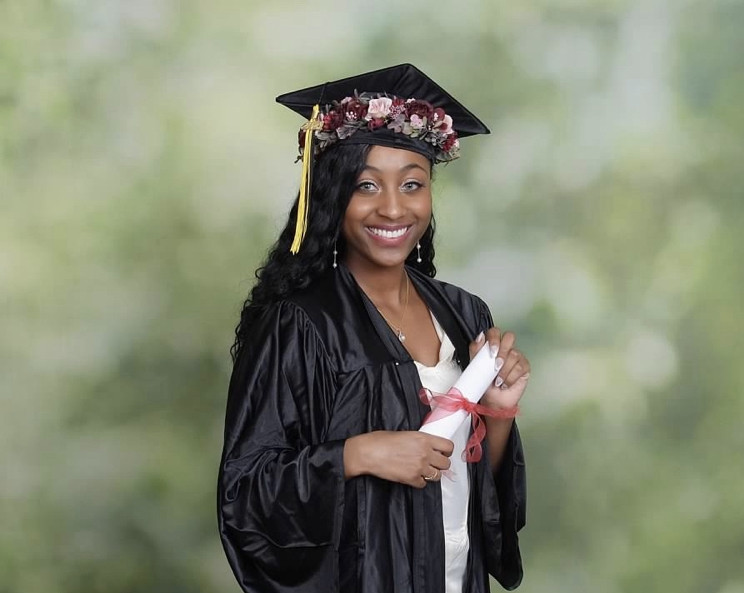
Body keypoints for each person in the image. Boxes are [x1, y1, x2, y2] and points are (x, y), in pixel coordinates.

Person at [217, 64, 530, 593]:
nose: (392, 206)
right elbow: (246, 495)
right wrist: (357, 455)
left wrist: (497, 417)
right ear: (333, 197)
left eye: (413, 184)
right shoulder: (302, 324)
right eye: (366, 185)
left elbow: (482, 495)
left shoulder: (465, 314)